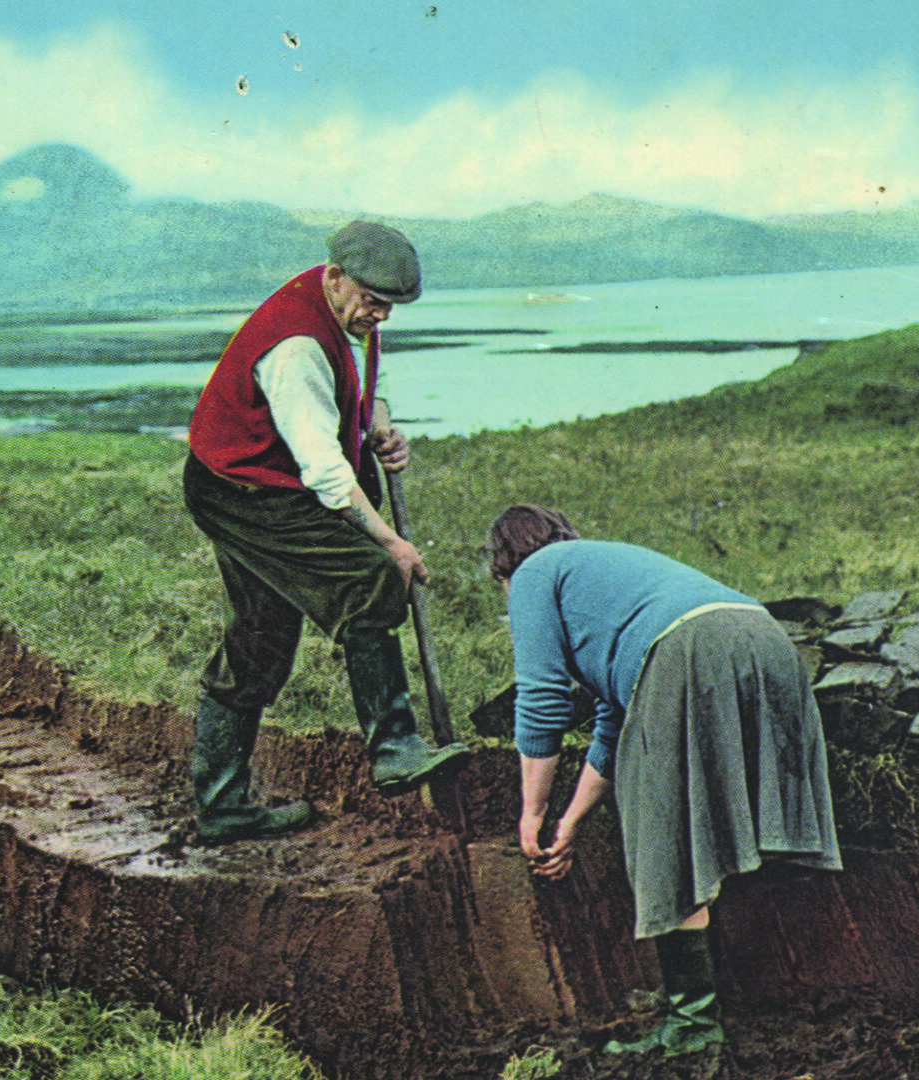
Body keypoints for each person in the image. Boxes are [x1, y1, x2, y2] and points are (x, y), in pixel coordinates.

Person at [487, 504, 842, 1068]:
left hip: (690, 653)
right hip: (767, 639)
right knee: (690, 811)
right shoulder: (605, 571)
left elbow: (541, 697)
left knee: (667, 831)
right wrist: (570, 821)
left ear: (503, 569)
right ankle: (718, 1000)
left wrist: (532, 809)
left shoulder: (533, 574)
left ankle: (694, 1026)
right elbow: (616, 723)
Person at [181, 221, 472, 845]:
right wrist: (390, 541)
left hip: (259, 480)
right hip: (243, 490)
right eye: (373, 300)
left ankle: (222, 809)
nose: (381, 316)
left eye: (390, 305)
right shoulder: (296, 346)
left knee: (260, 635)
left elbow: (369, 385)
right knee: (370, 578)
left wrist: (380, 425)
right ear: (335, 277)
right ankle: (394, 749)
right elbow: (325, 470)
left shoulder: (346, 313)